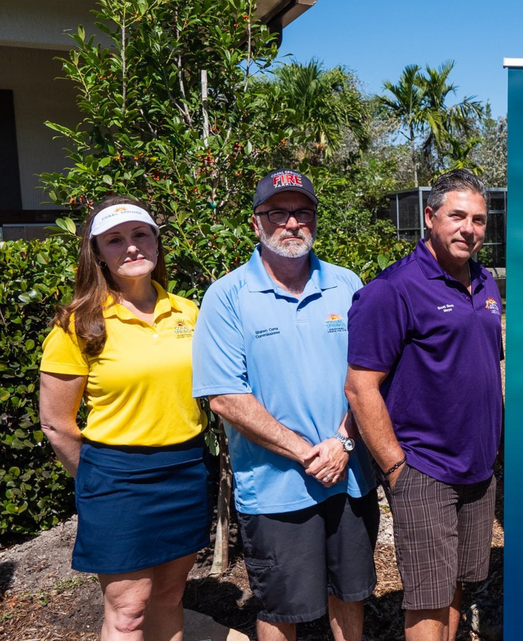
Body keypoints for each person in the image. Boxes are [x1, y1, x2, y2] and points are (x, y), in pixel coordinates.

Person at [192, 169, 378, 641]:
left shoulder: (346, 283)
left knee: (350, 594)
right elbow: (225, 396)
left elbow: (370, 375)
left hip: (349, 475)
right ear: (257, 223)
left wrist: (341, 442)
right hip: (275, 489)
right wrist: (306, 452)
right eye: (278, 212)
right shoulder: (227, 295)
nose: (292, 223)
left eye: (303, 212)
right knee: (281, 608)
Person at [39, 196, 209, 641]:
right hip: (116, 477)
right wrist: (99, 480)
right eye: (115, 240)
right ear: (97, 253)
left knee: (171, 598)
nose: (131, 247)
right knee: (129, 610)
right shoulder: (78, 323)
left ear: (156, 242)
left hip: (185, 469)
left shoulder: (190, 313)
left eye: (140, 234)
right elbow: (57, 424)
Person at [345, 169, 502, 641]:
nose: (469, 229)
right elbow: (359, 387)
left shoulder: (487, 283)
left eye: (478, 219)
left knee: (456, 585)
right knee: (428, 597)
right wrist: (396, 467)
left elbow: (486, 364)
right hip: (425, 469)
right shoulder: (394, 289)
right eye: (457, 216)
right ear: (429, 217)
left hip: (477, 469)